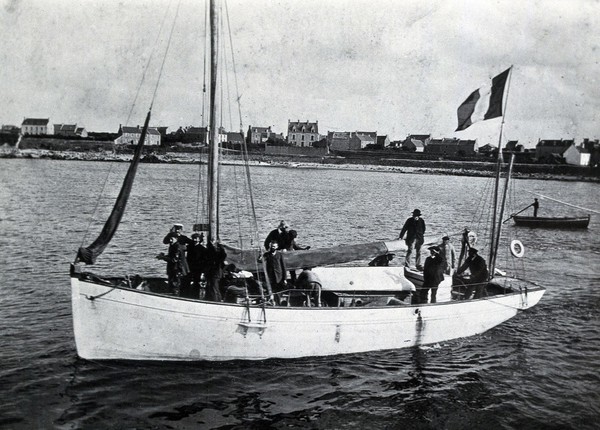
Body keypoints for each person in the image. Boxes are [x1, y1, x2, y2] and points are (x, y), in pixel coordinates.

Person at [156, 232, 189, 296]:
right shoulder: (173, 246)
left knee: (175, 286)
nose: (170, 240)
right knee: (173, 285)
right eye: (170, 239)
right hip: (174, 269)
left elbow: (174, 259)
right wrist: (164, 256)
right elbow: (172, 256)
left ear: (176, 239)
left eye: (172, 239)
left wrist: (163, 258)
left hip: (177, 270)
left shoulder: (177, 247)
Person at [185, 232, 208, 299]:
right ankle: (187, 295)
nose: (194, 240)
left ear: (199, 239)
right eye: (193, 238)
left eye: (196, 238)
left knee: (196, 283)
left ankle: (195, 297)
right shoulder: (189, 247)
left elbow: (204, 261)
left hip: (198, 269)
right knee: (187, 281)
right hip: (189, 267)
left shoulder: (202, 249)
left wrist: (203, 271)